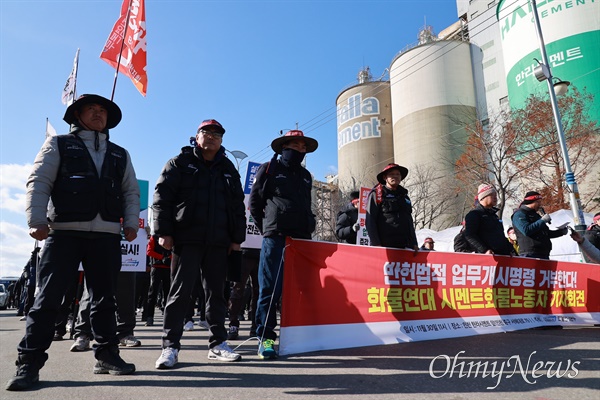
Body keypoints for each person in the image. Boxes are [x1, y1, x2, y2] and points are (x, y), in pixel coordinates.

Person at [7, 94, 140, 391]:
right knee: (48, 299)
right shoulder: (58, 144)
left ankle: (107, 355)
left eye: (102, 110)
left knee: (105, 299)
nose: (98, 114)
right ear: (76, 115)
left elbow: (131, 192)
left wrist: (131, 223)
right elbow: (39, 181)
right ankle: (28, 363)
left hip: (106, 234)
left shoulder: (120, 153)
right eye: (91, 109)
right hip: (63, 231)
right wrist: (35, 220)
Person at [152, 119, 246, 369]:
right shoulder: (179, 163)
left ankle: (218, 344)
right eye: (207, 132)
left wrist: (237, 239)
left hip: (219, 242)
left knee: (217, 295)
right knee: (179, 294)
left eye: (217, 134)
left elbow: (238, 206)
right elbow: (162, 198)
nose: (212, 137)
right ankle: (169, 347)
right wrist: (164, 231)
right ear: (196, 136)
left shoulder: (228, 168)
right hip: (187, 239)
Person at [249, 129, 318, 359]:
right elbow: (255, 204)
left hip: (301, 239)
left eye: (303, 147)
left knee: (302, 288)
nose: (301, 149)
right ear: (284, 147)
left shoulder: (307, 175)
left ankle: (299, 336)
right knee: (270, 289)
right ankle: (266, 338)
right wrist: (268, 227)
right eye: (296, 146)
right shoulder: (269, 169)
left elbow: (307, 204)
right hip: (275, 237)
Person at [366, 163, 418, 251]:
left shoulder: (404, 196)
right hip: (385, 246)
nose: (395, 176)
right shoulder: (377, 194)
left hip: (405, 245)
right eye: (391, 174)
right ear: (385, 177)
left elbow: (409, 220)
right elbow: (370, 220)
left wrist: (414, 243)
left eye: (398, 174)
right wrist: (376, 244)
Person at [511, 191, 568, 260]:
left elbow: (546, 233)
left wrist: (561, 232)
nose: (540, 205)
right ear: (532, 201)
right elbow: (526, 230)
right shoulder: (519, 214)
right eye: (538, 202)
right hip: (530, 254)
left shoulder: (535, 215)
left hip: (543, 253)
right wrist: (542, 221)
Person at [463, 183, 515, 256]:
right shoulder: (474, 215)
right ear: (483, 197)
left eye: (496, 195)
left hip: (503, 258)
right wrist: (484, 250)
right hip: (488, 260)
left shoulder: (494, 216)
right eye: (492, 195)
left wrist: (511, 250)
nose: (495, 198)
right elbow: (469, 235)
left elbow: (501, 236)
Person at [227, 248, 260, 340]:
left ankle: (255, 326)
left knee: (258, 292)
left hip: (261, 252)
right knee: (237, 290)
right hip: (243, 252)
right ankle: (233, 325)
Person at [144, 234, 172, 327]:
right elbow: (149, 251)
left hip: (168, 268)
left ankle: (167, 316)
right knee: (152, 293)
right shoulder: (154, 237)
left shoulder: (172, 236)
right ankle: (149, 317)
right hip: (156, 267)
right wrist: (161, 257)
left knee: (168, 292)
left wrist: (170, 258)